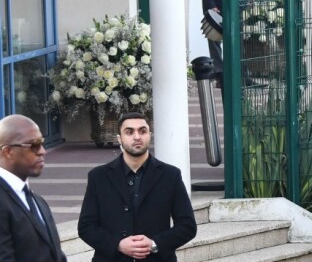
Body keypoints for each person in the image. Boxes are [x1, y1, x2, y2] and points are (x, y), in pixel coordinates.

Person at [78, 112, 197, 261]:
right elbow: (86, 227)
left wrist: (154, 244)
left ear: (149, 135)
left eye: (142, 131)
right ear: (119, 139)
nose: (137, 137)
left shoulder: (170, 175)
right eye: (129, 132)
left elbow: (187, 225)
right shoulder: (98, 177)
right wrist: (118, 245)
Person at [0, 114, 67, 262]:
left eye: (42, 143)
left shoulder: (37, 200)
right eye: (34, 145)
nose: (42, 151)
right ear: (8, 152)